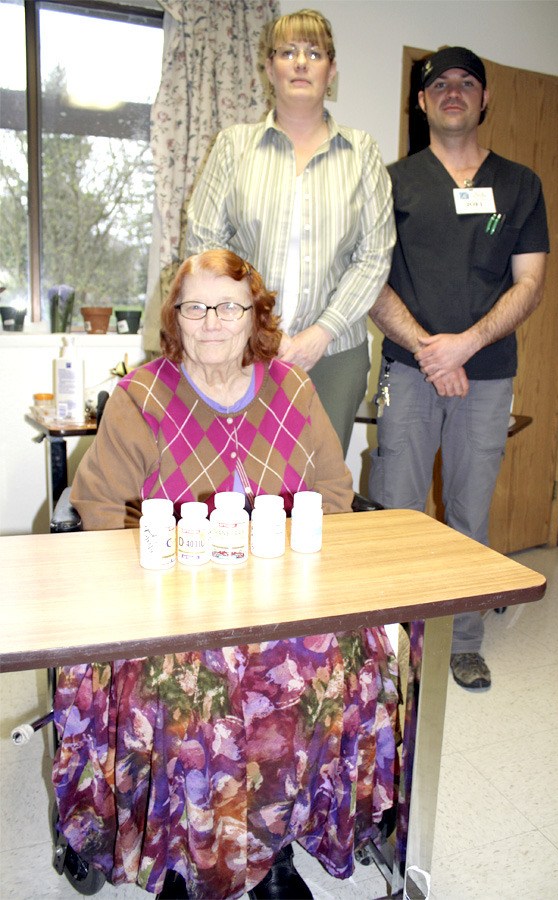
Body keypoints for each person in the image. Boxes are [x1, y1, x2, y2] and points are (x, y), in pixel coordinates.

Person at [52, 250, 399, 900]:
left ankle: (274, 844)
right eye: (195, 306)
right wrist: (167, 572)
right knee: (196, 684)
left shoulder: (291, 388)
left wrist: (286, 568)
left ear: (255, 316)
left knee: (343, 652)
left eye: (229, 306)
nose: (212, 320)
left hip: (278, 598)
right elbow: (98, 508)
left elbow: (332, 488)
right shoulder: (143, 397)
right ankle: (190, 851)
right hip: (169, 605)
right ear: (175, 319)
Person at [368, 46, 549, 690]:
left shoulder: (520, 185)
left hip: (488, 372)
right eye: (438, 84)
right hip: (411, 371)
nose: (452, 92)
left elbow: (529, 283)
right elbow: (373, 282)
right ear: (421, 102)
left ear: (484, 99)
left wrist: (465, 345)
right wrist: (428, 349)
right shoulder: (392, 182)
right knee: (399, 511)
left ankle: (464, 639)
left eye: (466, 83)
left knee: (470, 510)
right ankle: (392, 643)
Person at [185, 8, 394, 456]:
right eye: (288, 52)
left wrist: (323, 332)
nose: (301, 62)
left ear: (331, 69)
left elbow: (375, 255)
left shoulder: (362, 153)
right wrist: (262, 329)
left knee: (317, 487)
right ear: (269, 68)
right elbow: (204, 245)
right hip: (244, 345)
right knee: (238, 475)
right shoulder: (233, 146)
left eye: (314, 53)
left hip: (337, 355)